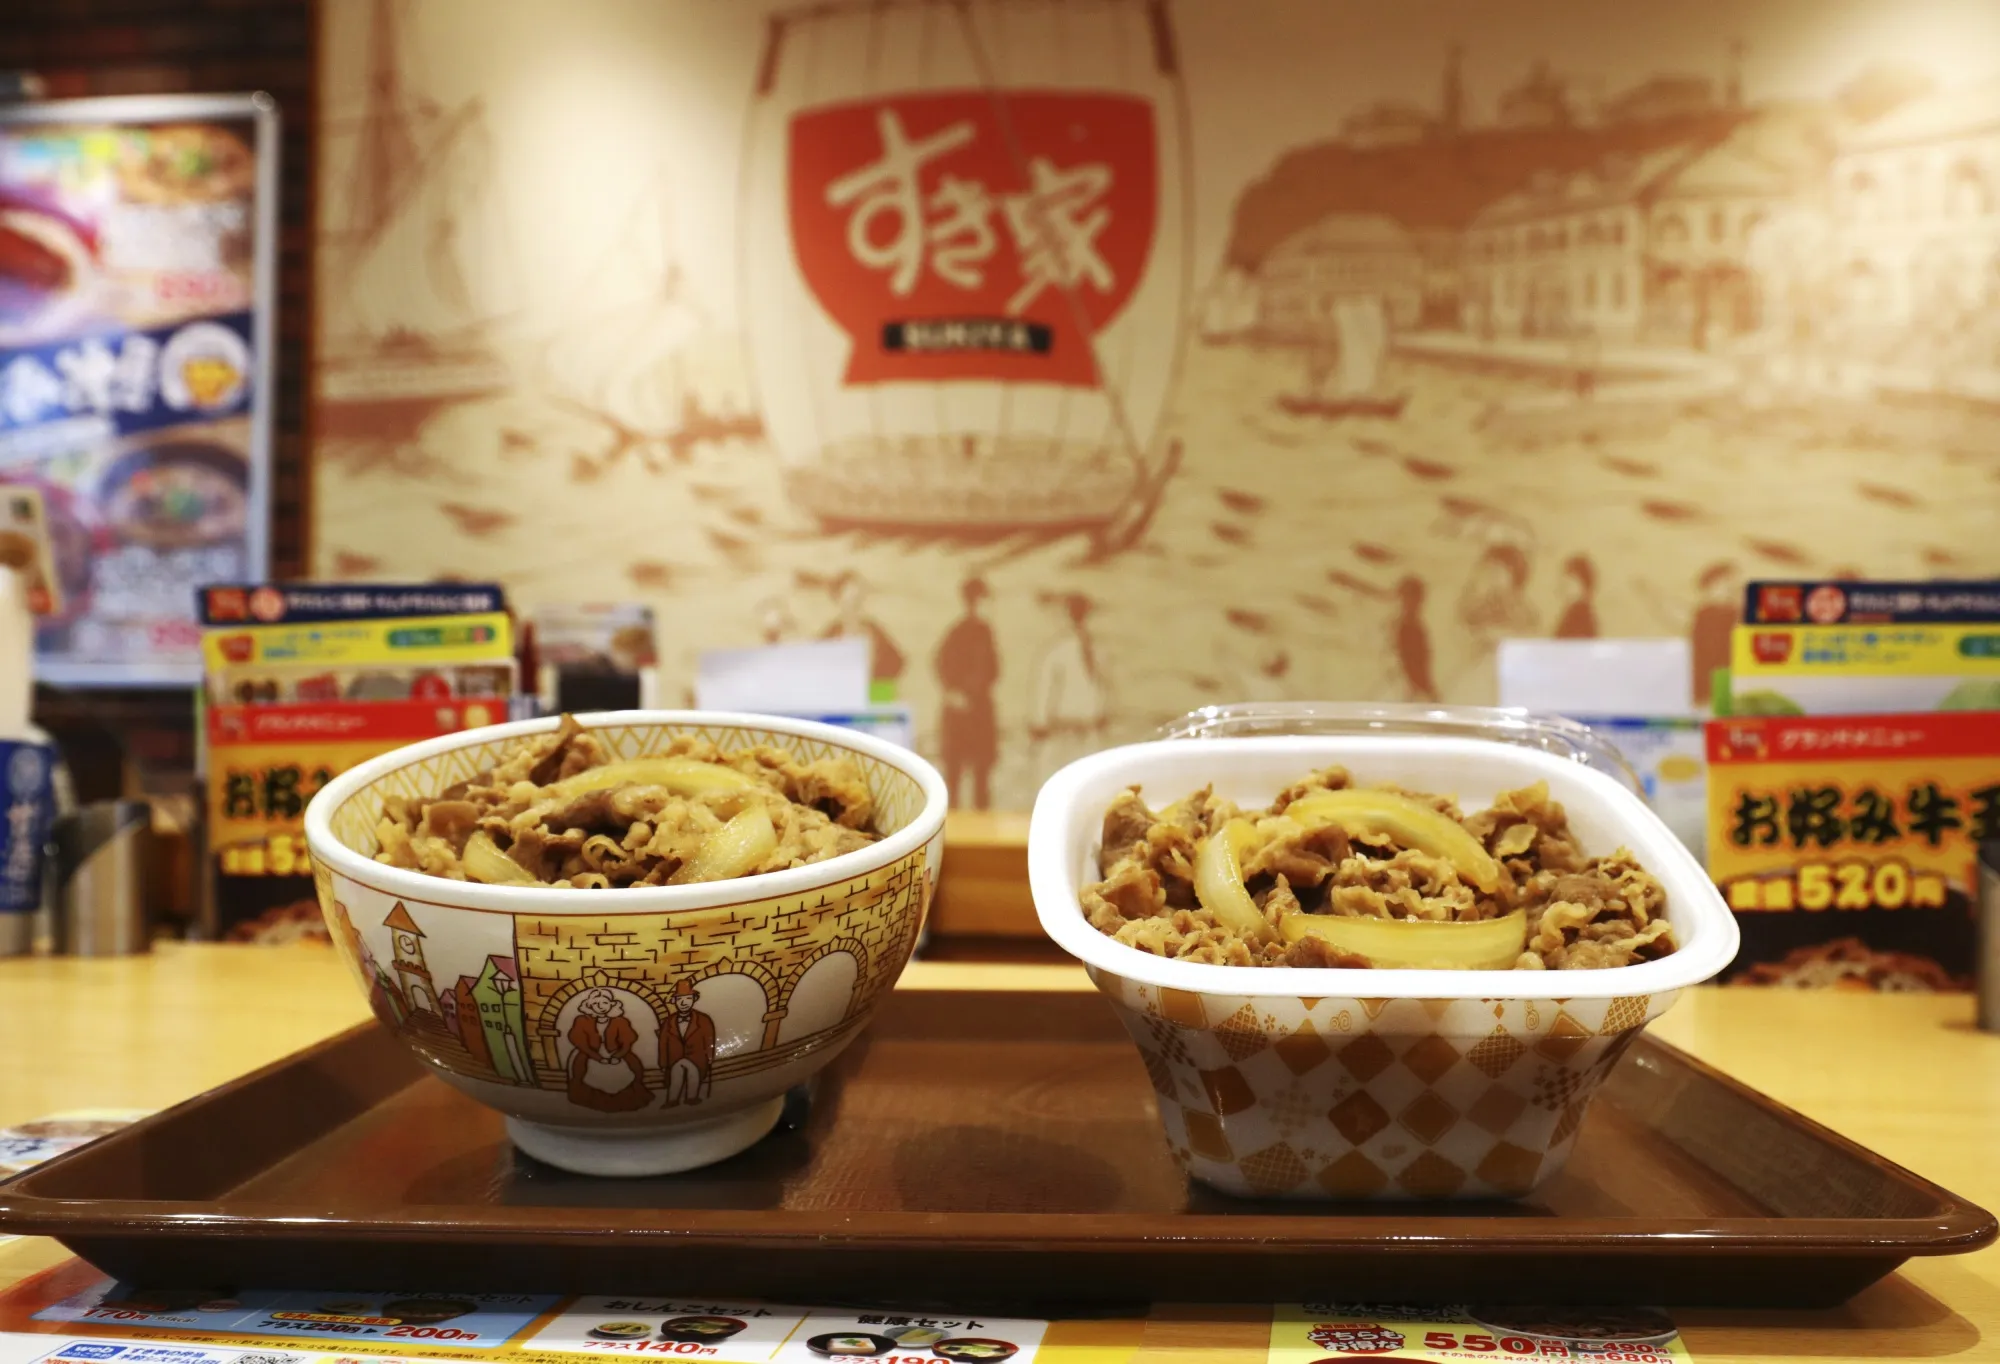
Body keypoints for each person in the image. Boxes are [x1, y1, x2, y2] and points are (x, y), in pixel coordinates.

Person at [935, 577, 1000, 810]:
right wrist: (954, 693)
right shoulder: (957, 632)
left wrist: (977, 692)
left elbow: (993, 670)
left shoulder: (986, 631)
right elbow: (941, 664)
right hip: (959, 714)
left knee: (982, 776)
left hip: (980, 711)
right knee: (954, 775)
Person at [1031, 592, 1109, 778]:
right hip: (1064, 731)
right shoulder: (1060, 651)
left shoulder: (1093, 650)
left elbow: (1104, 688)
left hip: (1084, 731)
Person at [820, 570, 905, 701]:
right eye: (850, 600)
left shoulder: (874, 631)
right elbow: (816, 668)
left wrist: (880, 690)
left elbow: (897, 662)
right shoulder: (830, 634)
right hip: (839, 699)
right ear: (838, 599)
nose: (854, 606)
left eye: (858, 599)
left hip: (872, 698)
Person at [565, 988, 650, 1113]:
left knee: (628, 1070)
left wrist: (618, 1056)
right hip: (591, 1053)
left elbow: (627, 1042)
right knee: (586, 1071)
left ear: (611, 1004)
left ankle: (622, 1102)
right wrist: (598, 1057)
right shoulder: (582, 1021)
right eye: (595, 1004)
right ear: (589, 1006)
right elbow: (580, 1042)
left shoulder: (620, 1021)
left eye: (604, 1003)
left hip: (617, 1053)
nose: (601, 1007)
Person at [658, 977, 716, 1107]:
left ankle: (692, 1097)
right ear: (674, 1001)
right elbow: (663, 1043)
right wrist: (663, 1062)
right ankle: (672, 1100)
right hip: (675, 1057)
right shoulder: (669, 1022)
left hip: (696, 1056)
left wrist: (710, 1056)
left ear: (694, 1000)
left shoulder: (703, 1020)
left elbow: (709, 1039)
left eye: (688, 999)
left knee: (694, 1075)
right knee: (675, 1077)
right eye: (680, 999)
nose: (684, 1003)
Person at [1391, 575, 1440, 702]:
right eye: (1408, 597)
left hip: (1416, 689)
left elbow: (1422, 662)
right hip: (1405, 688)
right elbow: (1410, 663)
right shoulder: (1403, 629)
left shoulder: (1417, 628)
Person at [1553, 554, 1599, 639]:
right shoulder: (1575, 613)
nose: (1563, 584)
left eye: (1570, 580)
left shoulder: (1580, 617)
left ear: (1582, 585)